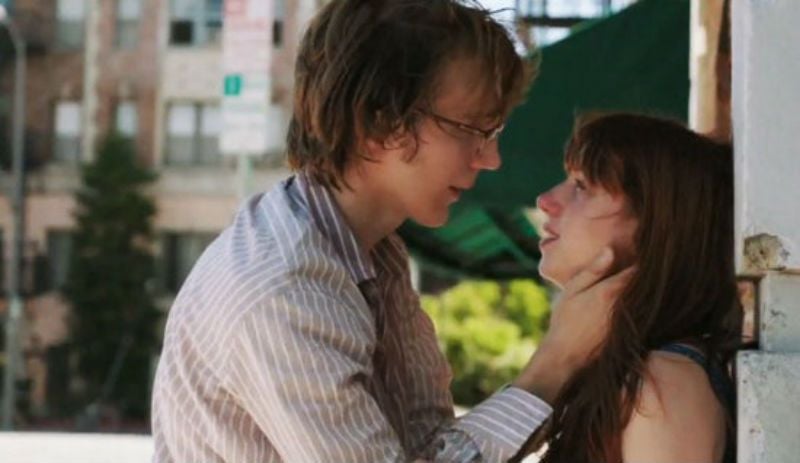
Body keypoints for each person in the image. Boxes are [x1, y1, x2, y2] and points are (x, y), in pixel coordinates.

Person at [151, 1, 629, 461]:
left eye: (493, 132)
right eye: (471, 129)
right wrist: (558, 360)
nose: (491, 159)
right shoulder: (286, 288)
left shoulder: (371, 250)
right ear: (378, 122)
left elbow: (430, 444)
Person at [524, 113, 741, 463]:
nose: (545, 200)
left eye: (582, 185)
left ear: (656, 225)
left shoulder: (664, 384)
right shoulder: (632, 373)